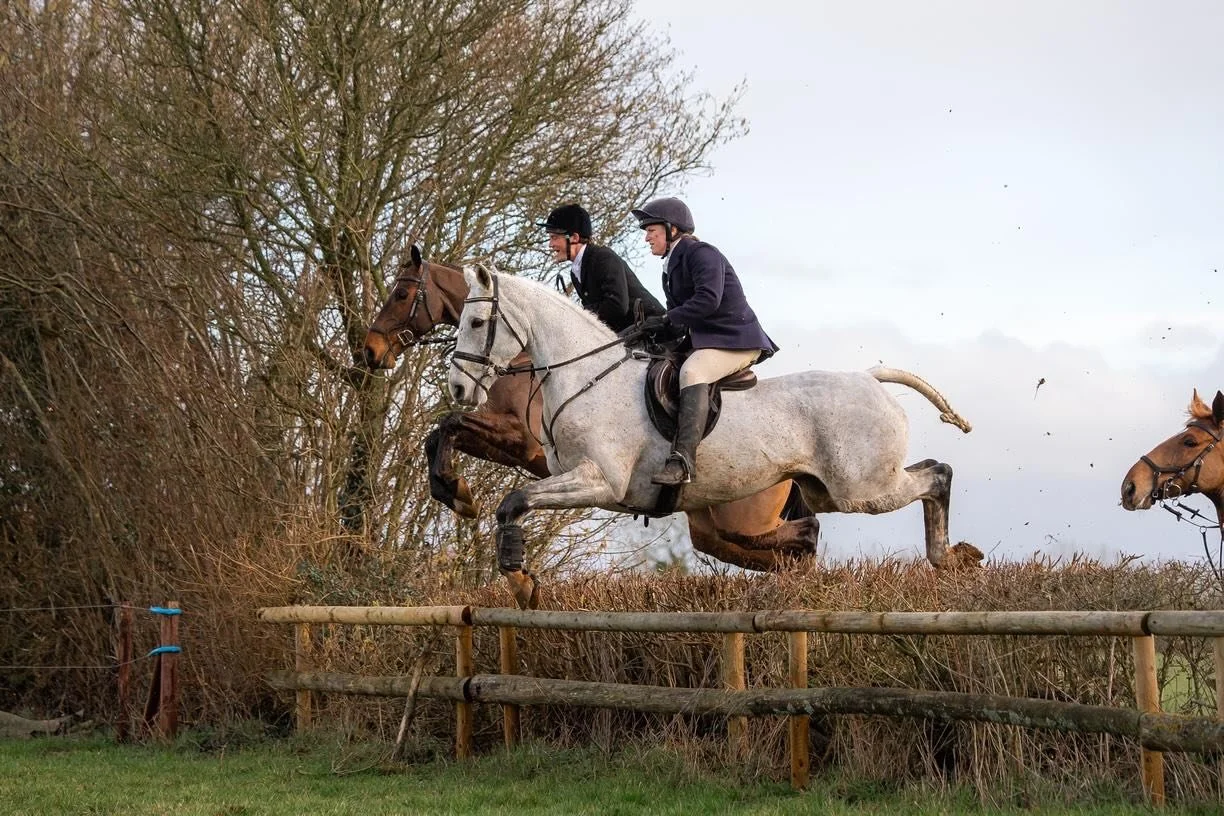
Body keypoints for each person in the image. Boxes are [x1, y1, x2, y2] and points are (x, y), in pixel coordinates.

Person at [631, 196, 779, 486]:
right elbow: (682, 317)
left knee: (692, 372)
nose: (647, 237)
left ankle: (683, 461)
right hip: (707, 339)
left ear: (672, 229)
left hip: (734, 339)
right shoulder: (671, 264)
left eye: (651, 230)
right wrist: (650, 331)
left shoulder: (702, 253)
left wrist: (666, 319)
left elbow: (708, 300)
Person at [537, 203, 664, 334]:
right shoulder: (576, 271)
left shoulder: (602, 257)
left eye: (554, 238)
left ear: (574, 237)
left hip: (656, 334)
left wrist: (576, 315)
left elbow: (617, 306)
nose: (550, 244)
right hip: (627, 337)